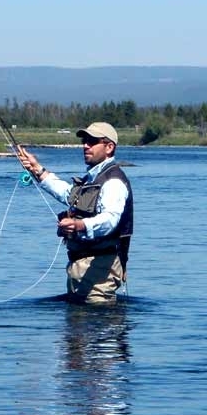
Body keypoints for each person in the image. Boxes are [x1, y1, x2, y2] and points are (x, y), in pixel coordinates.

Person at [18, 122, 133, 304]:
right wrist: (37, 169)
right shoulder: (92, 179)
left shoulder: (114, 182)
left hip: (100, 272)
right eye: (85, 140)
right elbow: (68, 194)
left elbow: (111, 219)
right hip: (80, 269)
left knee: (96, 327)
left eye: (93, 141)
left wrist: (79, 225)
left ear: (109, 147)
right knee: (77, 329)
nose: (86, 145)